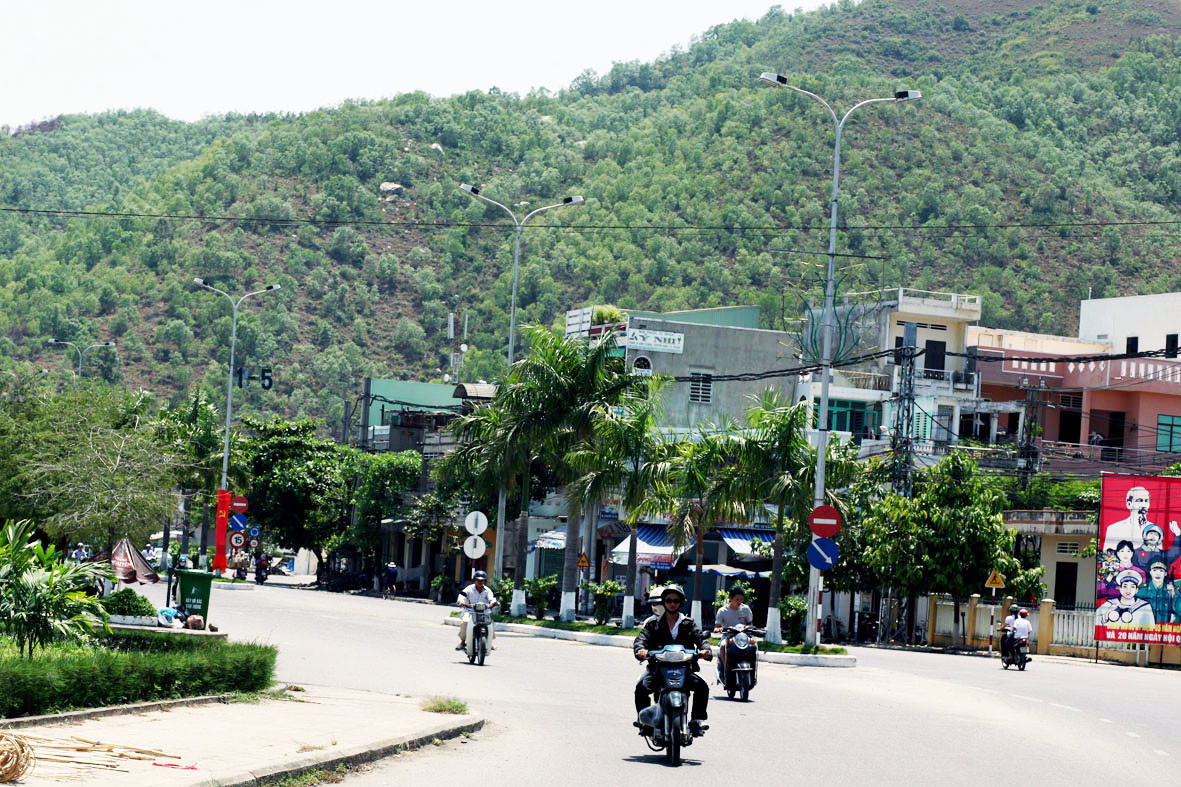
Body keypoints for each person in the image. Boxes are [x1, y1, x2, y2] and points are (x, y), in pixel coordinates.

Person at [633, 585, 712, 737]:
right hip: (658, 669)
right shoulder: (653, 624)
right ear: (664, 602)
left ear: (681, 602)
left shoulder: (688, 623)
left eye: (676, 601)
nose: (672, 604)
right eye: (669, 600)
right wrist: (640, 650)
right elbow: (641, 639)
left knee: (702, 687)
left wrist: (705, 650)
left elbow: (700, 638)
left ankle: (697, 720)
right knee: (641, 687)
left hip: (685, 669)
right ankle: (645, 722)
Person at [714, 586, 754, 675]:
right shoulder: (722, 611)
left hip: (743, 637)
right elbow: (717, 627)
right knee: (723, 646)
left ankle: (753, 671)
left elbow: (750, 624)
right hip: (728, 637)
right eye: (737, 599)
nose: (739, 602)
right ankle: (726, 669)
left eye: (741, 599)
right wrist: (719, 629)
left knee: (753, 646)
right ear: (731, 598)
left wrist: (748, 627)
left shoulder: (746, 609)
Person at [455, 570, 498, 651]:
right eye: (478, 580)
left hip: (484, 612)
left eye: (482, 580)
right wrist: (461, 601)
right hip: (470, 611)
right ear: (475, 580)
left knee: (490, 623)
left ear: (484, 581)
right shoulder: (469, 588)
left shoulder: (487, 590)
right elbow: (462, 596)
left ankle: (489, 642)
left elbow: (492, 599)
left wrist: (494, 603)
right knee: (465, 621)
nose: (480, 582)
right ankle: (463, 642)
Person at [1103, 487, 1155, 552]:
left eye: (1146, 501)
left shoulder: (1155, 530)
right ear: (1129, 504)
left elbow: (1159, 554)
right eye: (1139, 500)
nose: (1144, 505)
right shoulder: (1114, 529)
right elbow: (1107, 555)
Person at [1137, 558, 1173, 624]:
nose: (1158, 573)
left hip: (1163, 628)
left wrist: (1174, 595)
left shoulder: (1172, 591)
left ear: (1165, 573)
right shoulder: (1142, 591)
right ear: (1150, 572)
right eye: (1154, 570)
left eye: (1161, 571)